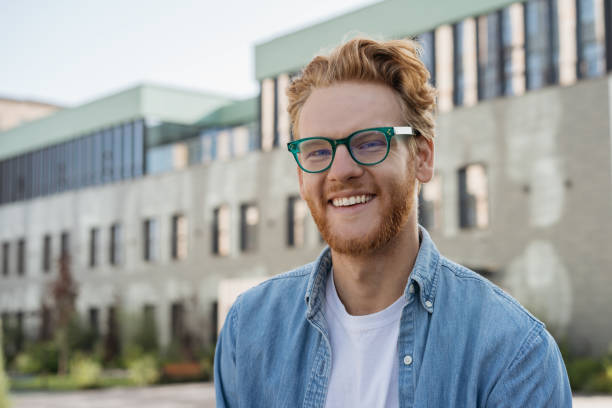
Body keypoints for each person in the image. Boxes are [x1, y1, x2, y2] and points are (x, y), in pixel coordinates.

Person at [214, 37, 572, 407]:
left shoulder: (513, 352)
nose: (341, 171)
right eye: (318, 150)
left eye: (370, 142)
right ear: (301, 177)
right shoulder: (250, 331)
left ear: (422, 157)